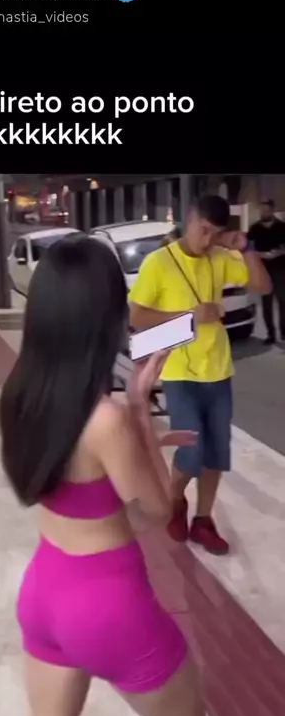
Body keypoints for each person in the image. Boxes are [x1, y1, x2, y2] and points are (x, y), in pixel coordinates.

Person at [0, 233, 209, 716]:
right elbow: (156, 512)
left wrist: (135, 437)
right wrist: (140, 411)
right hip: (108, 607)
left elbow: (79, 473)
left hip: (44, 590)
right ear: (104, 318)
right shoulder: (106, 420)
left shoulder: (21, 394)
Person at [128, 194, 271, 555]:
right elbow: (137, 317)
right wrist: (189, 316)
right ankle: (175, 500)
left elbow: (263, 286)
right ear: (189, 220)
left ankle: (204, 520)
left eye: (215, 233)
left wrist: (246, 248)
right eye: (203, 230)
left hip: (218, 370)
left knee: (217, 454)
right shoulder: (159, 263)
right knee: (191, 452)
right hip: (179, 372)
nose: (207, 240)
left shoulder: (220, 258)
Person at [247, 199, 285, 345]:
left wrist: (278, 252)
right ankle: (271, 334)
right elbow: (249, 248)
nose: (264, 213)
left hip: (280, 268)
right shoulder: (254, 228)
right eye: (262, 210)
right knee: (266, 303)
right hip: (262, 270)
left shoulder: (281, 227)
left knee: (282, 301)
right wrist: (260, 254)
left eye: (267, 210)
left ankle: (284, 332)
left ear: (272, 210)